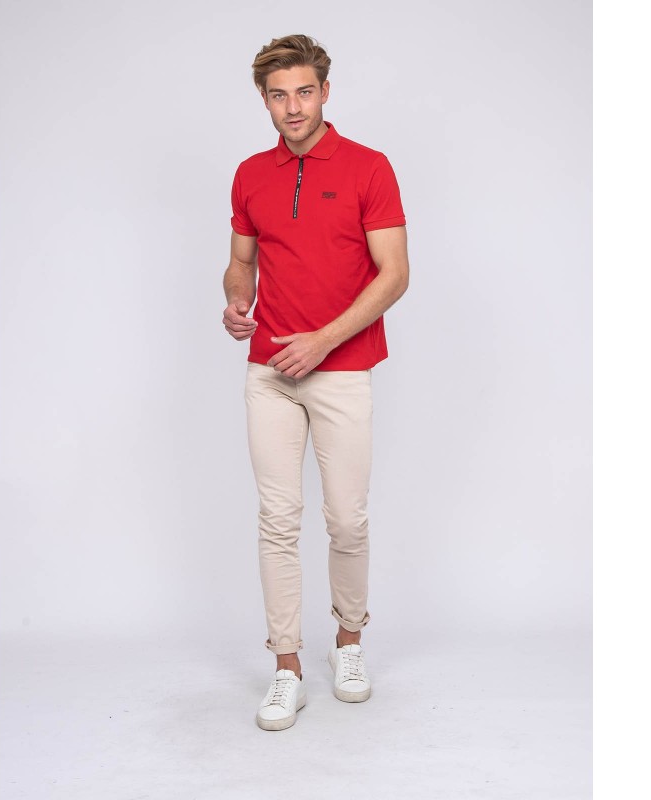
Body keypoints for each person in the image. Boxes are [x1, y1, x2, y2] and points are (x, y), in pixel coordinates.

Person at [222, 34, 409, 731]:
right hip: (269, 371)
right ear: (264, 100)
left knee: (346, 520)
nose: (293, 107)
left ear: (325, 92)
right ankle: (286, 667)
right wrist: (236, 299)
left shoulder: (369, 167)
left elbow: (395, 274)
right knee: (277, 520)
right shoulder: (249, 174)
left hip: (342, 370)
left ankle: (349, 644)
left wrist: (323, 340)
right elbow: (241, 261)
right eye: (279, 95)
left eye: (304, 92)